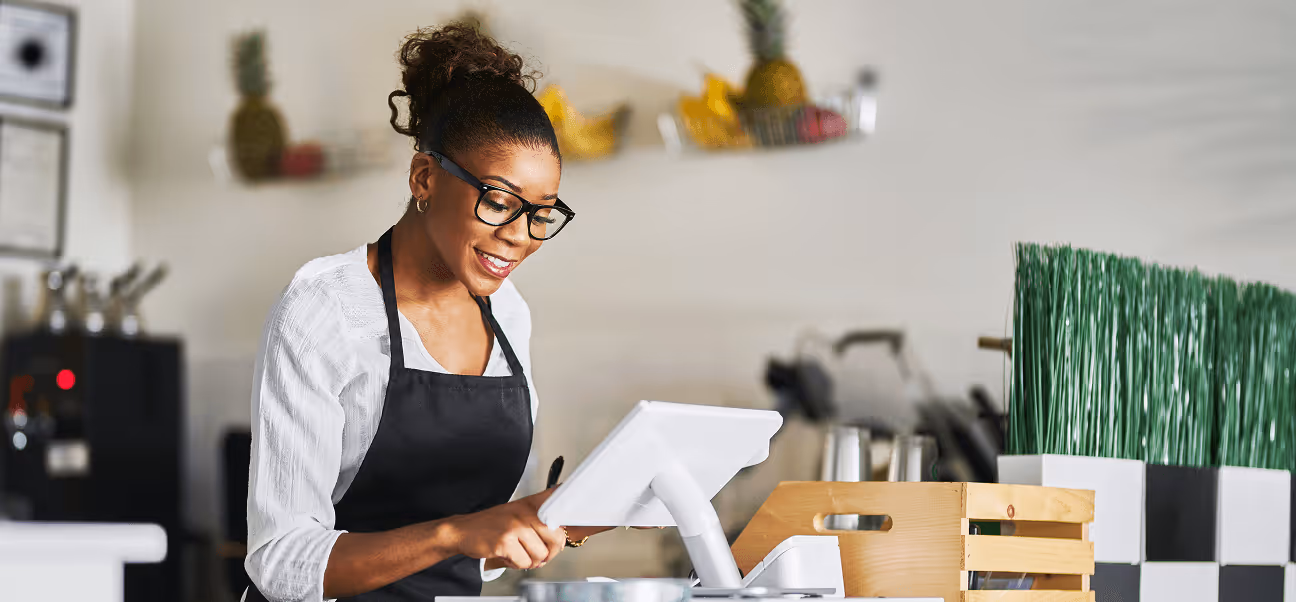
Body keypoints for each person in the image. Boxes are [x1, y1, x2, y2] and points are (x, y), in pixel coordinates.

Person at [243, 24, 592, 602]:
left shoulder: (508, 314)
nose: (518, 237)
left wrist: (540, 519)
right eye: (499, 202)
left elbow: (476, 553)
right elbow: (279, 562)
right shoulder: (325, 309)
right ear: (425, 178)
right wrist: (457, 533)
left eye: (541, 214)